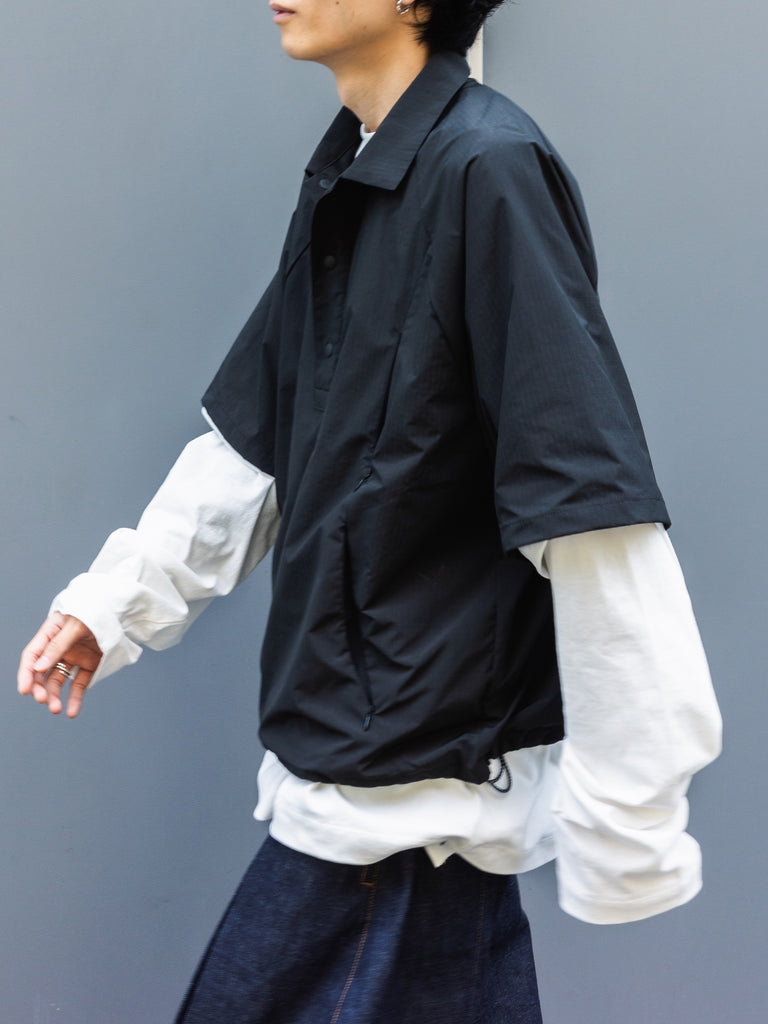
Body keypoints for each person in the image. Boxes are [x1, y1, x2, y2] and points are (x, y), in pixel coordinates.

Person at [17, 1, 722, 1021]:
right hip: (372, 782)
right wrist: (117, 602)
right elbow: (257, 437)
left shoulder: (489, 169)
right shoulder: (355, 170)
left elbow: (585, 497)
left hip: (401, 805)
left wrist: (631, 814)